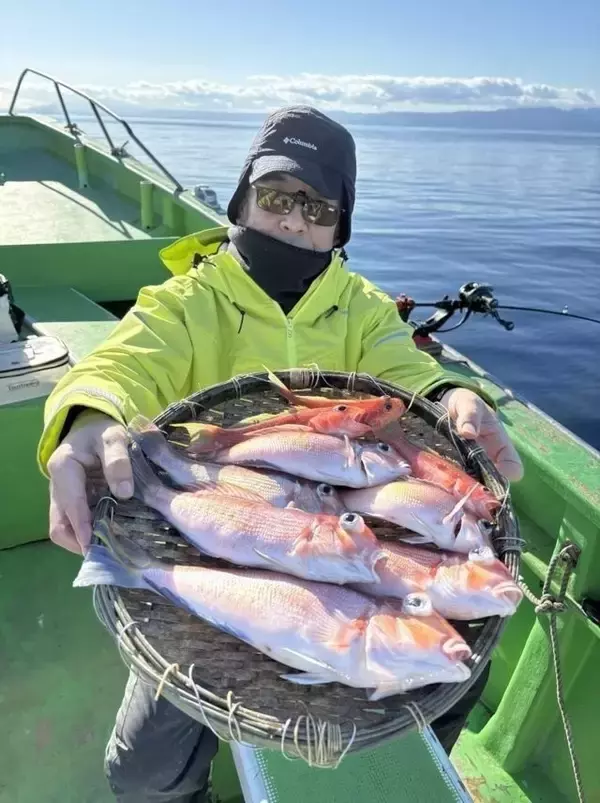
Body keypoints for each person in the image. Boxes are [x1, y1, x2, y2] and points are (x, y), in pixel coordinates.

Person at [39, 105, 523, 803]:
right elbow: (125, 359)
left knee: (455, 681)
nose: (294, 220)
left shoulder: (362, 308)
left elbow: (404, 368)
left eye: (317, 206)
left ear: (339, 226)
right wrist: (89, 413)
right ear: (241, 200)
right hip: (215, 546)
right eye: (274, 197)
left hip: (329, 563)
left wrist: (450, 390)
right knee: (141, 773)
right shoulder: (188, 299)